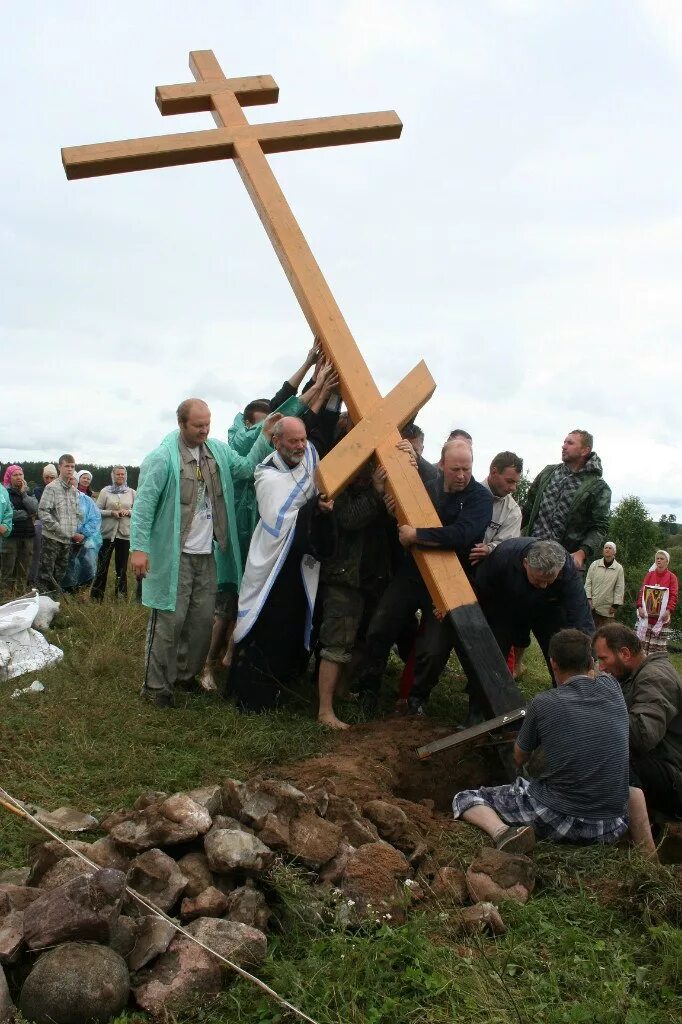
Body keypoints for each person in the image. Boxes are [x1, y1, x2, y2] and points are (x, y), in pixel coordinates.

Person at [130, 399, 279, 707]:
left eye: (207, 424)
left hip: (206, 553)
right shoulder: (162, 458)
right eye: (198, 425)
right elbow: (143, 506)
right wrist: (139, 548)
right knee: (169, 621)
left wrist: (265, 435)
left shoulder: (217, 452)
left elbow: (245, 468)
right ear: (181, 423)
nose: (204, 430)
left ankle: (185, 677)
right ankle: (156, 687)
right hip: (173, 555)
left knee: (199, 624)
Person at [452, 629, 630, 854]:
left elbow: (518, 758)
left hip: (562, 820)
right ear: (591, 662)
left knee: (465, 798)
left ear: (553, 664)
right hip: (613, 824)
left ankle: (502, 833)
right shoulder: (613, 688)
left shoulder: (544, 703)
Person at [357, 439, 492, 714]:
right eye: (455, 469)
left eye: (467, 468)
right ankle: (369, 690)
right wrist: (390, 507)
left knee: (434, 647)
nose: (462, 475)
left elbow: (462, 535)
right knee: (380, 627)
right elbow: (398, 528)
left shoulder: (480, 497)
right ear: (442, 465)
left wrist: (418, 535)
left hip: (450, 579)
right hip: (412, 572)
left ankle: (417, 699)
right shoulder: (424, 488)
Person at [230, 416, 337, 713]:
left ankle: (284, 688)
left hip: (299, 566)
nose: (301, 446)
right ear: (277, 441)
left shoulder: (311, 459)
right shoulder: (266, 473)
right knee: (267, 626)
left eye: (303, 439)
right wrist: (315, 507)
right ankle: (252, 696)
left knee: (292, 625)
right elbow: (278, 517)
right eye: (293, 441)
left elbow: (324, 429)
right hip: (272, 564)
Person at [317, 462, 396, 729]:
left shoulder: (376, 489)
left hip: (372, 579)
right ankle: (324, 710)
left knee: (362, 640)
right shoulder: (336, 487)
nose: (364, 475)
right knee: (336, 643)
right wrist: (375, 492)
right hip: (344, 578)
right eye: (360, 471)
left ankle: (342, 690)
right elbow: (349, 519)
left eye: (368, 471)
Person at [474, 538, 594, 687]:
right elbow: (481, 588)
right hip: (504, 605)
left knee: (562, 651)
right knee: (495, 652)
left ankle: (569, 694)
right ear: (525, 564)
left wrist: (588, 656)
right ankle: (483, 697)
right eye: (538, 580)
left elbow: (580, 615)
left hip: (549, 609)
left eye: (550, 581)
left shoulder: (567, 568)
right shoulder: (504, 556)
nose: (543, 586)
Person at [594, 623, 682, 821]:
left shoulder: (654, 677)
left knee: (604, 755)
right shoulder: (635, 674)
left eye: (603, 659)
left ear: (624, 653)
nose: (601, 667)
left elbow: (642, 736)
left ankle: (637, 825)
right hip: (661, 764)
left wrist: (597, 715)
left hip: (673, 775)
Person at [522, 429, 611, 572]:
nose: (563, 446)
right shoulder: (548, 473)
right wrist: (507, 536)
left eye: (570, 443)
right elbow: (527, 508)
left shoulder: (598, 487)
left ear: (584, 451)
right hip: (533, 555)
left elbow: (599, 527)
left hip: (566, 563)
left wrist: (582, 553)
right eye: (564, 442)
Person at [37, 454, 83, 597]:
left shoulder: (74, 491)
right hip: (52, 538)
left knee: (60, 574)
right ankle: (41, 606)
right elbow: (43, 512)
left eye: (72, 466)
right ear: (60, 467)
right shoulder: (52, 488)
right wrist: (58, 528)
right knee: (46, 574)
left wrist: (75, 530)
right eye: (66, 466)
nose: (70, 469)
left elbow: (77, 513)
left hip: (67, 540)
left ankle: (53, 604)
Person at [469, 451, 523, 565]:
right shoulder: (467, 492)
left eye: (516, 483)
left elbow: (509, 546)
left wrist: (489, 549)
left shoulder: (513, 511)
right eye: (509, 481)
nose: (513, 488)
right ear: (494, 472)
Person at [91, 466, 136, 600]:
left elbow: (139, 510)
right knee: (102, 566)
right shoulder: (105, 491)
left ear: (126, 476)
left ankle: (120, 597)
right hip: (107, 534)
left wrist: (128, 512)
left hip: (124, 534)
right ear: (113, 475)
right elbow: (96, 510)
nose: (120, 476)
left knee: (121, 567)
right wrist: (111, 513)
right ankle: (96, 597)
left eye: (123, 474)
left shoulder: (132, 492)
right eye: (118, 474)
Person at [0, 466, 39, 593]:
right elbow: (11, 514)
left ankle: (19, 596)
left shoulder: (28, 492)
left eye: (21, 474)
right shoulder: (5, 493)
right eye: (15, 475)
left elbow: (34, 509)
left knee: (24, 569)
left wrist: (23, 493)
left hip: (27, 536)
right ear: (9, 477)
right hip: (11, 536)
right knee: (8, 569)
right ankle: (5, 597)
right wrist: (28, 514)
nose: (19, 477)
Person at [636, 550, 679, 655]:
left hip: (661, 618)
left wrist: (668, 611)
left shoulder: (672, 577)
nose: (659, 560)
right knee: (640, 647)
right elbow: (642, 591)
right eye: (657, 558)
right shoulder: (650, 575)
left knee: (656, 651)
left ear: (667, 562)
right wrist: (640, 607)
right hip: (646, 617)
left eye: (661, 558)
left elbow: (673, 595)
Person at [62, 488, 102, 594]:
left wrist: (83, 534)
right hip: (65, 539)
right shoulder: (60, 498)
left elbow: (95, 518)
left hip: (84, 541)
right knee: (68, 566)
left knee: (86, 565)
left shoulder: (87, 500)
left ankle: (82, 592)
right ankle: (67, 591)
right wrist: (72, 533)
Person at [584, 541, 625, 628]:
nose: (607, 550)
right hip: (591, 605)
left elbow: (619, 587)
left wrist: (615, 605)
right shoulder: (595, 565)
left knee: (604, 633)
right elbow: (588, 582)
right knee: (589, 631)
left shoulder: (618, 568)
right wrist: (588, 598)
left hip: (607, 608)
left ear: (614, 552)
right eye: (606, 548)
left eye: (610, 548)